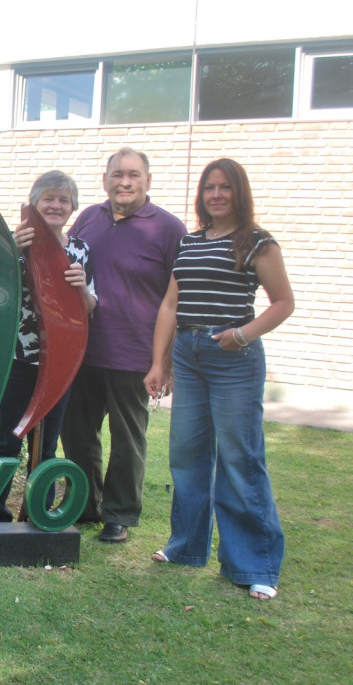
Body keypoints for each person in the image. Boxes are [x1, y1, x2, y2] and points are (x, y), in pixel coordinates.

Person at [144, 159, 294, 600]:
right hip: (189, 355)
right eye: (209, 187)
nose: (216, 194)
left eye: (225, 187)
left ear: (238, 193)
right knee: (187, 455)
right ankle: (186, 546)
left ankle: (254, 565)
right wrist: (160, 363)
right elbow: (171, 305)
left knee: (239, 458)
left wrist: (241, 335)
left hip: (234, 357)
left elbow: (283, 302)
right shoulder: (190, 242)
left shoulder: (257, 242)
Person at [60, 148, 187, 543]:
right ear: (105, 180)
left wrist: (165, 361)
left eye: (133, 175)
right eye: (117, 174)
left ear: (148, 180)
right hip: (82, 350)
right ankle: (84, 505)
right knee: (77, 433)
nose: (125, 182)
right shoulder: (88, 219)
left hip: (135, 353)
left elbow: (178, 298)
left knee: (127, 437)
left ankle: (119, 515)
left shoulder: (168, 228)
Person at [0, 171, 97, 520]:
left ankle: (38, 513)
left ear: (73, 208)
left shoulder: (79, 249)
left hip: (59, 362)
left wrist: (80, 288)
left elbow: (91, 307)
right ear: (33, 204)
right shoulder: (10, 241)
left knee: (46, 443)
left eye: (63, 200)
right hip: (16, 359)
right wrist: (9, 254)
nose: (56, 205)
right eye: (48, 198)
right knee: (6, 440)